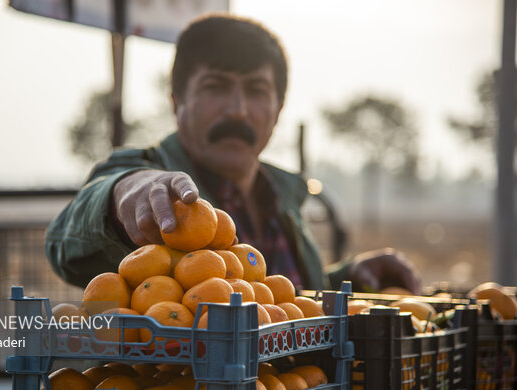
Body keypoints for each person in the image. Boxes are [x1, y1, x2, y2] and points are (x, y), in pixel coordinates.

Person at [45, 13, 421, 294]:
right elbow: (66, 243)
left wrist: (347, 278)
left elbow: (272, 296)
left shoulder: (283, 196)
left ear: (278, 109)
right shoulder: (158, 181)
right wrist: (127, 194)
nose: (238, 109)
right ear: (177, 101)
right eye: (216, 87)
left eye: (256, 91)